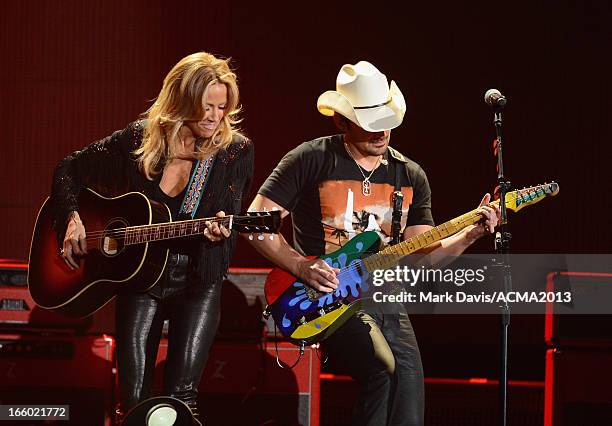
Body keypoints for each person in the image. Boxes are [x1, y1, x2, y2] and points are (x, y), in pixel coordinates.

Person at [247, 61, 500, 425]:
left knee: (408, 397)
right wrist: (300, 265)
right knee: (382, 369)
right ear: (341, 121)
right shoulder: (311, 158)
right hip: (325, 296)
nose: (383, 133)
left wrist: (470, 234)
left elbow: (421, 259)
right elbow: (257, 224)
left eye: (387, 122)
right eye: (371, 125)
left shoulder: (409, 175)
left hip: (385, 296)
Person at [50, 52, 254, 424]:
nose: (214, 117)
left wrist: (219, 230)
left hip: (197, 280)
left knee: (182, 401)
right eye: (205, 106)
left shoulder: (234, 150)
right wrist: (72, 218)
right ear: (182, 101)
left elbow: (228, 213)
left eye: (222, 107)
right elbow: (69, 169)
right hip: (140, 279)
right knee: (134, 401)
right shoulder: (138, 138)